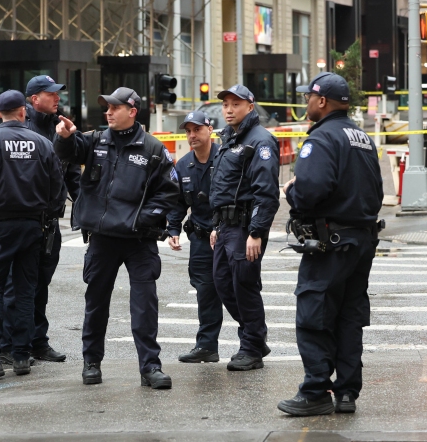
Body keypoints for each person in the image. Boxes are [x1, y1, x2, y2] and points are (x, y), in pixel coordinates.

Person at [54, 87, 180, 389]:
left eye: (115, 107)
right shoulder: (96, 141)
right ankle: (91, 362)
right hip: (102, 239)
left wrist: (143, 218)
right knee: (96, 303)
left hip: (139, 241)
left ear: (132, 111)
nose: (108, 112)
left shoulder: (152, 148)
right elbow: (67, 152)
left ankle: (150, 367)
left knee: (144, 306)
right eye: (106, 108)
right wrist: (66, 136)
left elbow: (170, 191)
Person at [277, 72, 383, 417]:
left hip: (330, 243)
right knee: (349, 315)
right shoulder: (362, 138)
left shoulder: (321, 139)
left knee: (314, 313)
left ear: (321, 101)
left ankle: (315, 390)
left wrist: (292, 189)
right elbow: (376, 192)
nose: (306, 102)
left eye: (309, 97)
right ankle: (347, 391)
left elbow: (309, 192)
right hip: (361, 241)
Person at [0, 90, 66, 382]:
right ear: (23, 111)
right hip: (33, 226)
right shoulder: (43, 144)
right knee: (25, 290)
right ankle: (22, 356)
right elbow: (58, 190)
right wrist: (47, 216)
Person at [208, 84, 280, 371]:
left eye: (235, 104)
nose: (228, 109)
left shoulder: (260, 141)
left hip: (245, 228)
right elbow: (222, 187)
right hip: (225, 227)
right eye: (225, 104)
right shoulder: (229, 138)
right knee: (223, 284)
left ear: (250, 107)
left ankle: (251, 347)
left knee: (244, 286)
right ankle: (255, 337)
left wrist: (256, 232)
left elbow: (266, 193)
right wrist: (216, 224)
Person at [13, 74, 82, 364]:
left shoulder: (61, 129)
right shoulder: (18, 128)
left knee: (41, 283)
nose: (57, 98)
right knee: (20, 286)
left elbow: (73, 175)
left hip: (51, 223)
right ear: (33, 99)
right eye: (50, 94)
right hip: (25, 221)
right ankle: (17, 344)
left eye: (57, 94)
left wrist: (84, 206)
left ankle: (38, 341)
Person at [166, 110, 224, 363]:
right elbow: (178, 202)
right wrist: (173, 229)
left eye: (197, 130)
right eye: (188, 131)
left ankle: (252, 345)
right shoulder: (183, 164)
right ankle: (207, 347)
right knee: (205, 291)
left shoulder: (225, 158)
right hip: (200, 239)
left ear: (209, 130)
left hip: (227, 235)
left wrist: (221, 226)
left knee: (236, 290)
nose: (192, 135)